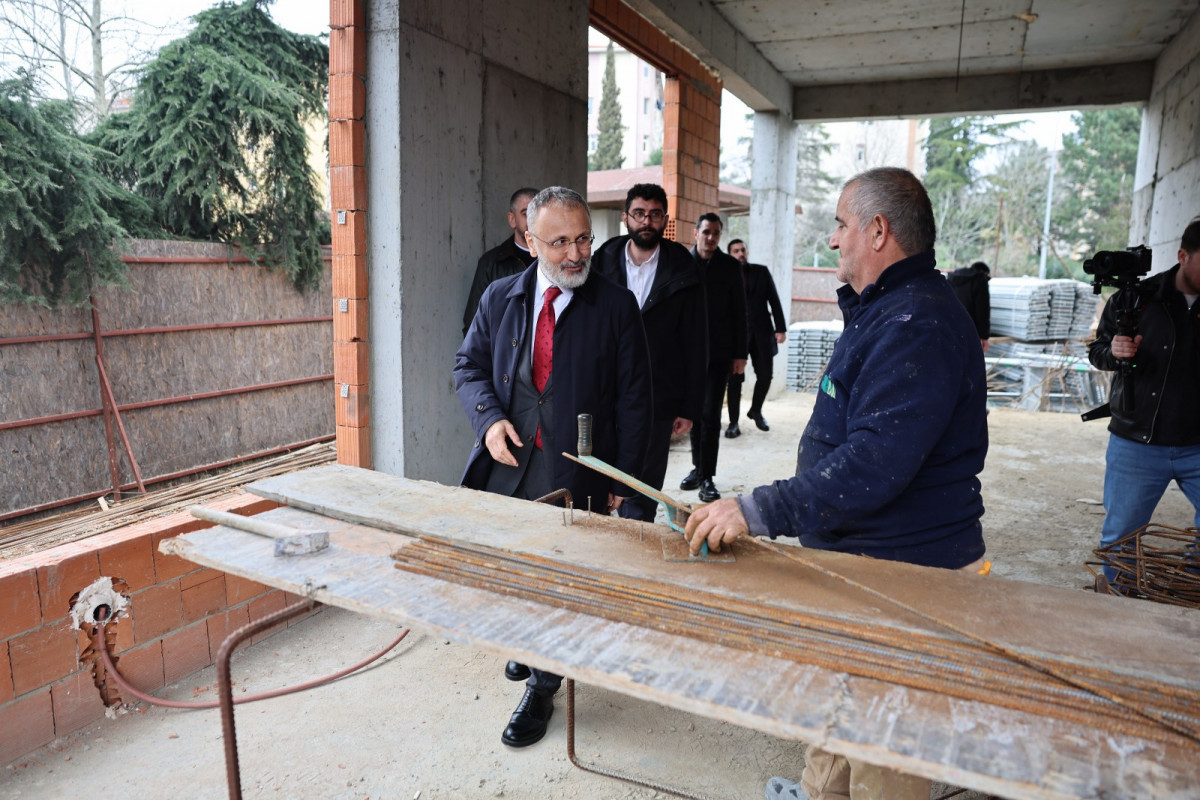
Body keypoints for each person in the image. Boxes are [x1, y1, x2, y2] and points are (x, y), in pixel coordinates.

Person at [684, 167, 988, 800]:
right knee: (839, 705)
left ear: (877, 231)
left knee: (885, 745)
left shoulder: (917, 323)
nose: (831, 240)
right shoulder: (885, 309)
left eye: (840, 225)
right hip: (863, 563)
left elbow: (874, 464)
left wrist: (757, 509)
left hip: (904, 577)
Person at [455, 186, 653, 749]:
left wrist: (624, 480)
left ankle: (543, 686)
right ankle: (529, 639)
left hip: (576, 471)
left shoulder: (615, 306)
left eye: (584, 239)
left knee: (561, 579)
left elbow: (636, 401)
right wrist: (489, 420)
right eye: (560, 241)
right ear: (530, 240)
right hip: (508, 464)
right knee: (517, 570)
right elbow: (468, 366)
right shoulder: (500, 296)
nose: (575, 253)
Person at [1086, 217, 1200, 589]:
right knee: (1121, 535)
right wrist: (1115, 352)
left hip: (1197, 443)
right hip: (1137, 440)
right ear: (1183, 256)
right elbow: (1098, 352)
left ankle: (1188, 588)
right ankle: (1118, 597)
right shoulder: (1135, 298)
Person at [592, 183, 707, 522]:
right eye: (639, 213)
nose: (646, 221)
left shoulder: (684, 268)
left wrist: (689, 407)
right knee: (597, 478)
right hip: (605, 391)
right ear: (625, 217)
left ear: (665, 220)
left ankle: (636, 537)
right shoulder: (602, 261)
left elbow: (696, 342)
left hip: (659, 395)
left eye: (655, 215)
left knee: (642, 487)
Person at [680, 213, 747, 502]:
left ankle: (707, 477)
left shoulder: (730, 267)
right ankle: (697, 467)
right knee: (692, 413)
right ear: (696, 233)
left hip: (719, 354)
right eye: (706, 232)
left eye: (716, 233)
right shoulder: (682, 263)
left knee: (710, 415)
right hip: (686, 354)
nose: (711, 238)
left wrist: (740, 354)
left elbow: (740, 312)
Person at [725, 238, 787, 437]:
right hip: (735, 335)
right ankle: (733, 423)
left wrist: (780, 328)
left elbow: (774, 300)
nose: (740, 253)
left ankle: (756, 410)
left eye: (743, 250)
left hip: (762, 331)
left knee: (766, 374)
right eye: (736, 251)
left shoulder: (761, 272)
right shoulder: (724, 275)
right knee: (735, 380)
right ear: (730, 254)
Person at [462, 187, 539, 335]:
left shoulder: (556, 260)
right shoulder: (491, 263)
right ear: (512, 219)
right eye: (525, 213)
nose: (532, 220)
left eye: (538, 213)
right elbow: (474, 324)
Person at [946, 260, 992, 353]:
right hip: (970, 332)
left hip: (948, 330)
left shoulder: (951, 278)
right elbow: (982, 311)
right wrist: (984, 336)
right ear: (984, 272)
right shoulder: (980, 280)